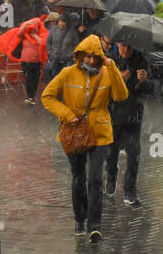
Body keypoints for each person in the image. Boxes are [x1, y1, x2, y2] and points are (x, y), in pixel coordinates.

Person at [41, 35, 129, 240]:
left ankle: (94, 225)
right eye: (86, 57)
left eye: (94, 57)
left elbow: (121, 95)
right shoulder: (67, 73)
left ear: (100, 57)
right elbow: (47, 96)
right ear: (80, 56)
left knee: (95, 179)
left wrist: (113, 69)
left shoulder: (108, 73)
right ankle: (79, 218)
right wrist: (67, 114)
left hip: (100, 133)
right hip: (75, 132)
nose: (90, 61)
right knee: (78, 178)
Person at [106, 40, 151, 208]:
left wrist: (143, 81)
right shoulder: (110, 59)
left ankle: (130, 190)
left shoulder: (141, 60)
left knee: (134, 152)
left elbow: (150, 89)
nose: (125, 50)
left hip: (133, 113)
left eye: (129, 46)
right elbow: (103, 87)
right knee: (111, 151)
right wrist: (118, 78)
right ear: (117, 44)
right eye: (122, 46)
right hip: (113, 113)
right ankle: (111, 173)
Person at [18, 15, 51, 104]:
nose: (33, 28)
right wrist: (26, 24)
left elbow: (43, 44)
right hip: (25, 60)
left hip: (37, 61)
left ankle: (32, 95)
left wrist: (35, 35)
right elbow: (18, 34)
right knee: (28, 78)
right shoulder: (25, 35)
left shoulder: (42, 34)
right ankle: (30, 97)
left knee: (35, 79)